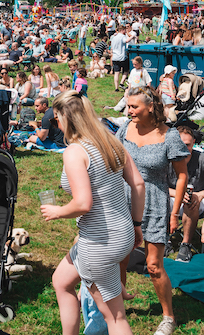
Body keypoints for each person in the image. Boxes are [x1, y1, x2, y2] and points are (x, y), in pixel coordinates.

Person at [42, 91, 145, 335]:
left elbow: (83, 203)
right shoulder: (111, 141)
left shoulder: (75, 152)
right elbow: (138, 184)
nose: (56, 124)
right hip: (122, 233)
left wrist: (58, 211)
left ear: (66, 118)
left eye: (56, 119)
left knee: (116, 318)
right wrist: (137, 224)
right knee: (61, 281)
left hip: (99, 243)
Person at [116, 86, 189, 335]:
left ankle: (168, 317)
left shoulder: (169, 136)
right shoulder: (125, 128)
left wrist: (175, 212)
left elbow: (181, 176)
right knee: (120, 259)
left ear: (150, 107)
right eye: (128, 106)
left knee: (154, 265)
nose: (129, 111)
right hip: (123, 198)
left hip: (155, 202)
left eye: (134, 106)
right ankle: (119, 308)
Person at [169, 124, 204, 264]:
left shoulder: (202, 159)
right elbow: (158, 186)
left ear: (193, 143)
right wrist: (177, 193)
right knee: (159, 197)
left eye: (187, 144)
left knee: (191, 201)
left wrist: (201, 194)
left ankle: (186, 244)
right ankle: (165, 240)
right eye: (181, 144)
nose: (184, 148)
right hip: (172, 197)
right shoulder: (168, 159)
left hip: (197, 198)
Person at [109, 25, 133, 92]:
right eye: (125, 30)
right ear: (122, 30)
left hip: (115, 57)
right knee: (126, 70)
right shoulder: (122, 37)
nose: (125, 31)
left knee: (116, 73)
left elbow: (112, 47)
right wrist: (132, 36)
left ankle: (116, 88)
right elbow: (126, 41)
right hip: (122, 57)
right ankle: (121, 83)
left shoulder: (114, 37)